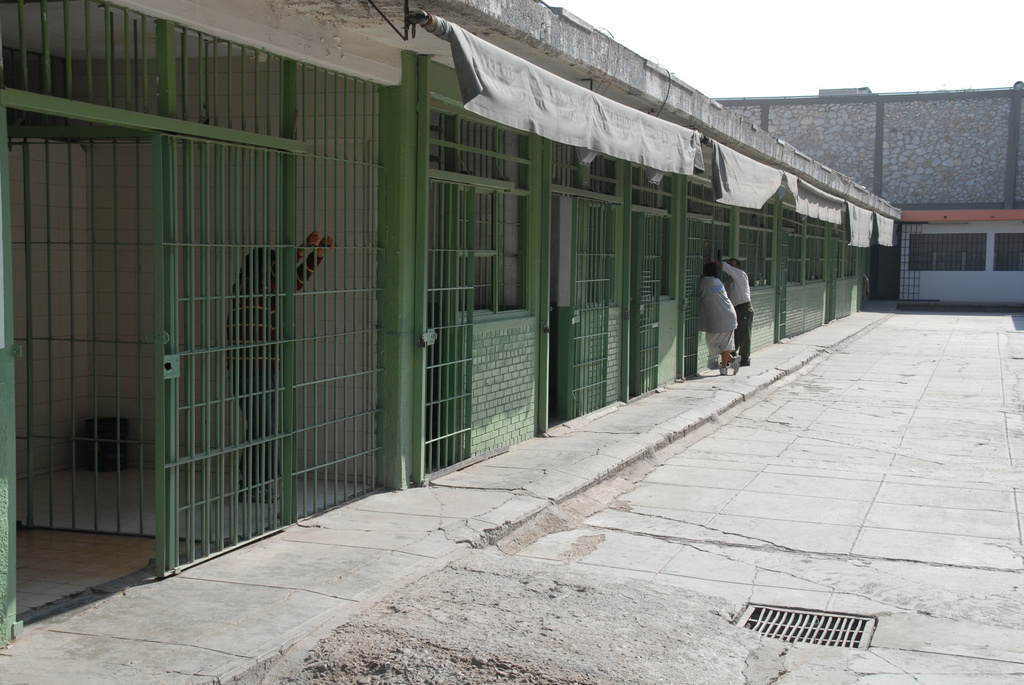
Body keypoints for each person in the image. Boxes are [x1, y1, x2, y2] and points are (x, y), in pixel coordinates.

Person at [230, 231, 335, 494]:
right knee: (265, 429)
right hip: (248, 369)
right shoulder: (247, 287)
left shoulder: (269, 293)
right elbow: (274, 276)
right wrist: (302, 248)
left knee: (260, 428)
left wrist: (317, 253)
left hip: (267, 368)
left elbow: (295, 280)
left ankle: (252, 481)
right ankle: (268, 481)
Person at [698, 261, 740, 375]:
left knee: (720, 345)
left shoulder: (704, 281)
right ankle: (732, 360)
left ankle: (724, 369)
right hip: (728, 314)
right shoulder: (718, 281)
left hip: (720, 317)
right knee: (717, 345)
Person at [715, 254, 753, 367]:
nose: (731, 268)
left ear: (738, 266)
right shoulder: (730, 281)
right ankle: (731, 356)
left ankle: (745, 358)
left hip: (743, 307)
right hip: (735, 308)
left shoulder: (741, 275)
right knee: (733, 334)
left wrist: (715, 261)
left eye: (733, 265)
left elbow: (727, 268)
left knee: (744, 334)